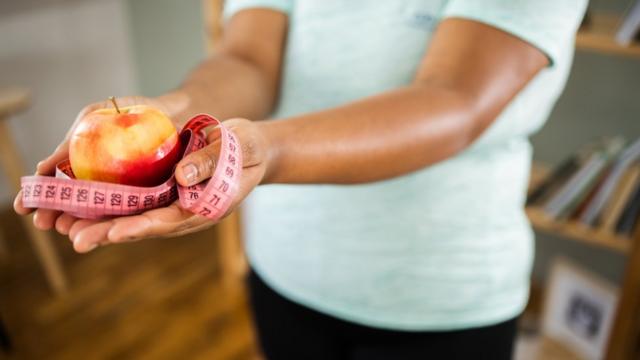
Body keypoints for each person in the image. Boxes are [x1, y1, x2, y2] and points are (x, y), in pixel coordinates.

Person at [15, 0, 588, 359]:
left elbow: (454, 100)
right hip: (283, 272)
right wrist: (171, 115)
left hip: (440, 300)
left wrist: (270, 149)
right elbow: (246, 62)